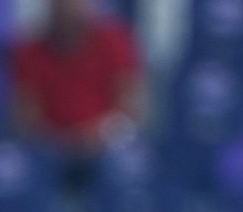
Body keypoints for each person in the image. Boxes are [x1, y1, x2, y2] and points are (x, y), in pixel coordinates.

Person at [10, 0, 145, 158]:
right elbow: (26, 116)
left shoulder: (116, 41)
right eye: (60, 6)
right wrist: (64, 140)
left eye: (74, 6)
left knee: (128, 162)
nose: (67, 12)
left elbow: (132, 107)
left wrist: (94, 135)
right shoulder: (30, 50)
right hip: (51, 145)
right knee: (8, 170)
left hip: (107, 141)